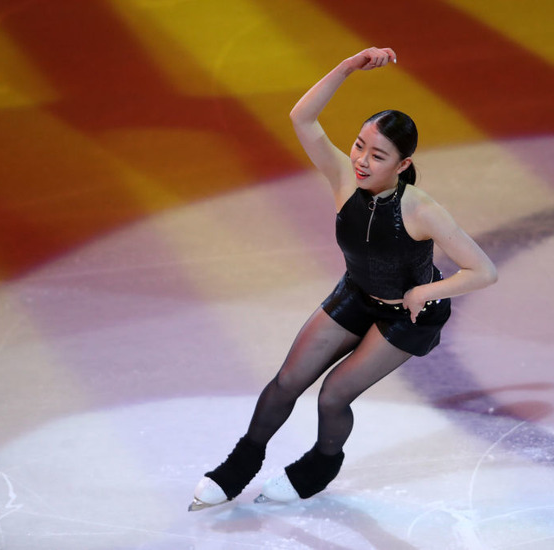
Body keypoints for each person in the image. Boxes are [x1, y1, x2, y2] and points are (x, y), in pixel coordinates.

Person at [189, 47, 498, 511]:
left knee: (333, 396)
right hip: (357, 293)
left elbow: (483, 271)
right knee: (289, 379)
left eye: (377, 156)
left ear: (403, 165)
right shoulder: (343, 179)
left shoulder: (422, 210)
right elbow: (303, 119)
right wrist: (350, 67)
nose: (361, 161)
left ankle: (320, 464)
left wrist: (427, 290)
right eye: (359, 146)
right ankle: (240, 463)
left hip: (410, 315)